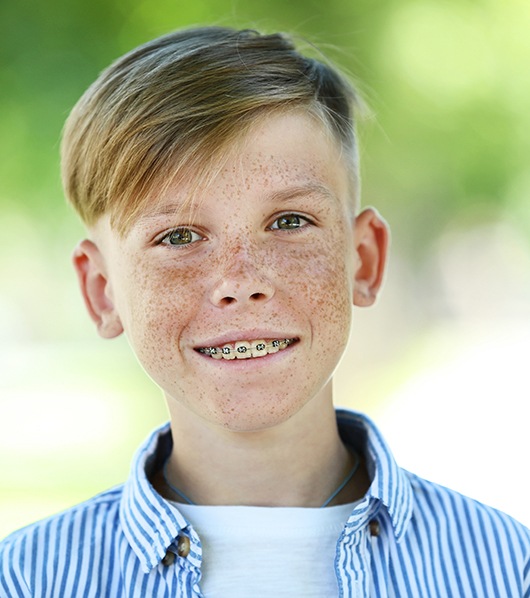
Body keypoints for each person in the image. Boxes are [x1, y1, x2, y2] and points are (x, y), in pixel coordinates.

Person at [1, 25, 529, 598]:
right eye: (179, 235)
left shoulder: (507, 569)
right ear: (103, 290)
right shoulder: (27, 579)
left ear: (364, 259)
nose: (240, 282)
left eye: (289, 222)